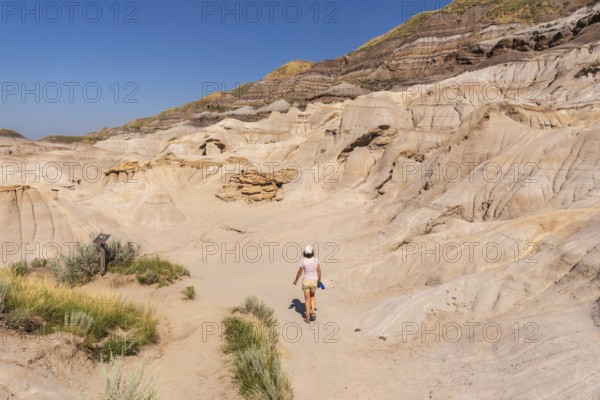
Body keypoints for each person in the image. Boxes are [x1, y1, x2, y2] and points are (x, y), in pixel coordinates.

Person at [293, 244, 322, 323]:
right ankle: (313, 312)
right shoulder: (316, 260)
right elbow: (319, 272)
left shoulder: (303, 261)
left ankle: (308, 317)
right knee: (312, 297)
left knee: (307, 299)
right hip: (314, 282)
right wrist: (319, 281)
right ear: (312, 252)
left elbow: (299, 272)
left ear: (305, 253)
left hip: (306, 282)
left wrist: (296, 280)